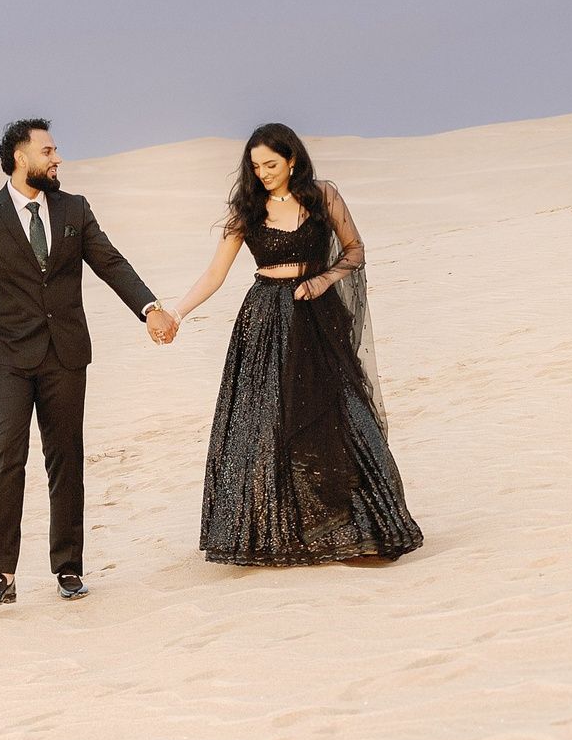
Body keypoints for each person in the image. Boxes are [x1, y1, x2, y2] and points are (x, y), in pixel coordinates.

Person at [157, 123, 422, 566]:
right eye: (256, 166)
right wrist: (177, 314)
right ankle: (284, 535)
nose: (262, 173)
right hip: (265, 321)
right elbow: (214, 274)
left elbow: (354, 250)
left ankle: (364, 529)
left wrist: (321, 281)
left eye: (271, 164)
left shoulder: (322, 196)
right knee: (267, 425)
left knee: (343, 415)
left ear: (292, 159)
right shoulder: (247, 211)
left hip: (318, 317)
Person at [0, 119, 177, 606]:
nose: (57, 158)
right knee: (6, 456)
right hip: (6, 357)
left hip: (66, 354)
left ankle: (68, 568)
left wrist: (150, 307)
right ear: (20, 157)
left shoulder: (74, 208)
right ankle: (1, 574)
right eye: (48, 150)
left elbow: (110, 261)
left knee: (66, 460)